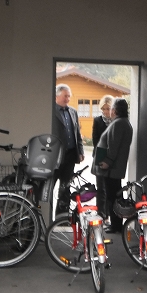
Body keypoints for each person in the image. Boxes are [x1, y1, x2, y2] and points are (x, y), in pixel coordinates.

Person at [96, 98, 133, 234]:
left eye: (111, 108)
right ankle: (116, 224)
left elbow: (113, 146)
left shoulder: (118, 124)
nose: (110, 111)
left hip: (112, 168)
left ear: (115, 110)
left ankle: (116, 225)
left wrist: (108, 161)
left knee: (113, 197)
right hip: (115, 167)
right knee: (114, 195)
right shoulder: (123, 122)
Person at [52, 84, 84, 215]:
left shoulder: (73, 112)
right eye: (65, 96)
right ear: (57, 96)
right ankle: (47, 217)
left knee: (66, 188)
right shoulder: (51, 110)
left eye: (69, 96)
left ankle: (62, 217)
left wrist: (80, 151)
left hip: (70, 156)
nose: (68, 99)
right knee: (49, 187)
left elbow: (77, 134)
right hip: (55, 157)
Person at [92, 94, 114, 220]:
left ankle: (110, 214)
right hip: (100, 155)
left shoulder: (116, 122)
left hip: (113, 158)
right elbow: (95, 140)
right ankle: (101, 214)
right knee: (101, 188)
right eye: (104, 109)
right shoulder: (97, 121)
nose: (106, 111)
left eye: (108, 108)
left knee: (111, 188)